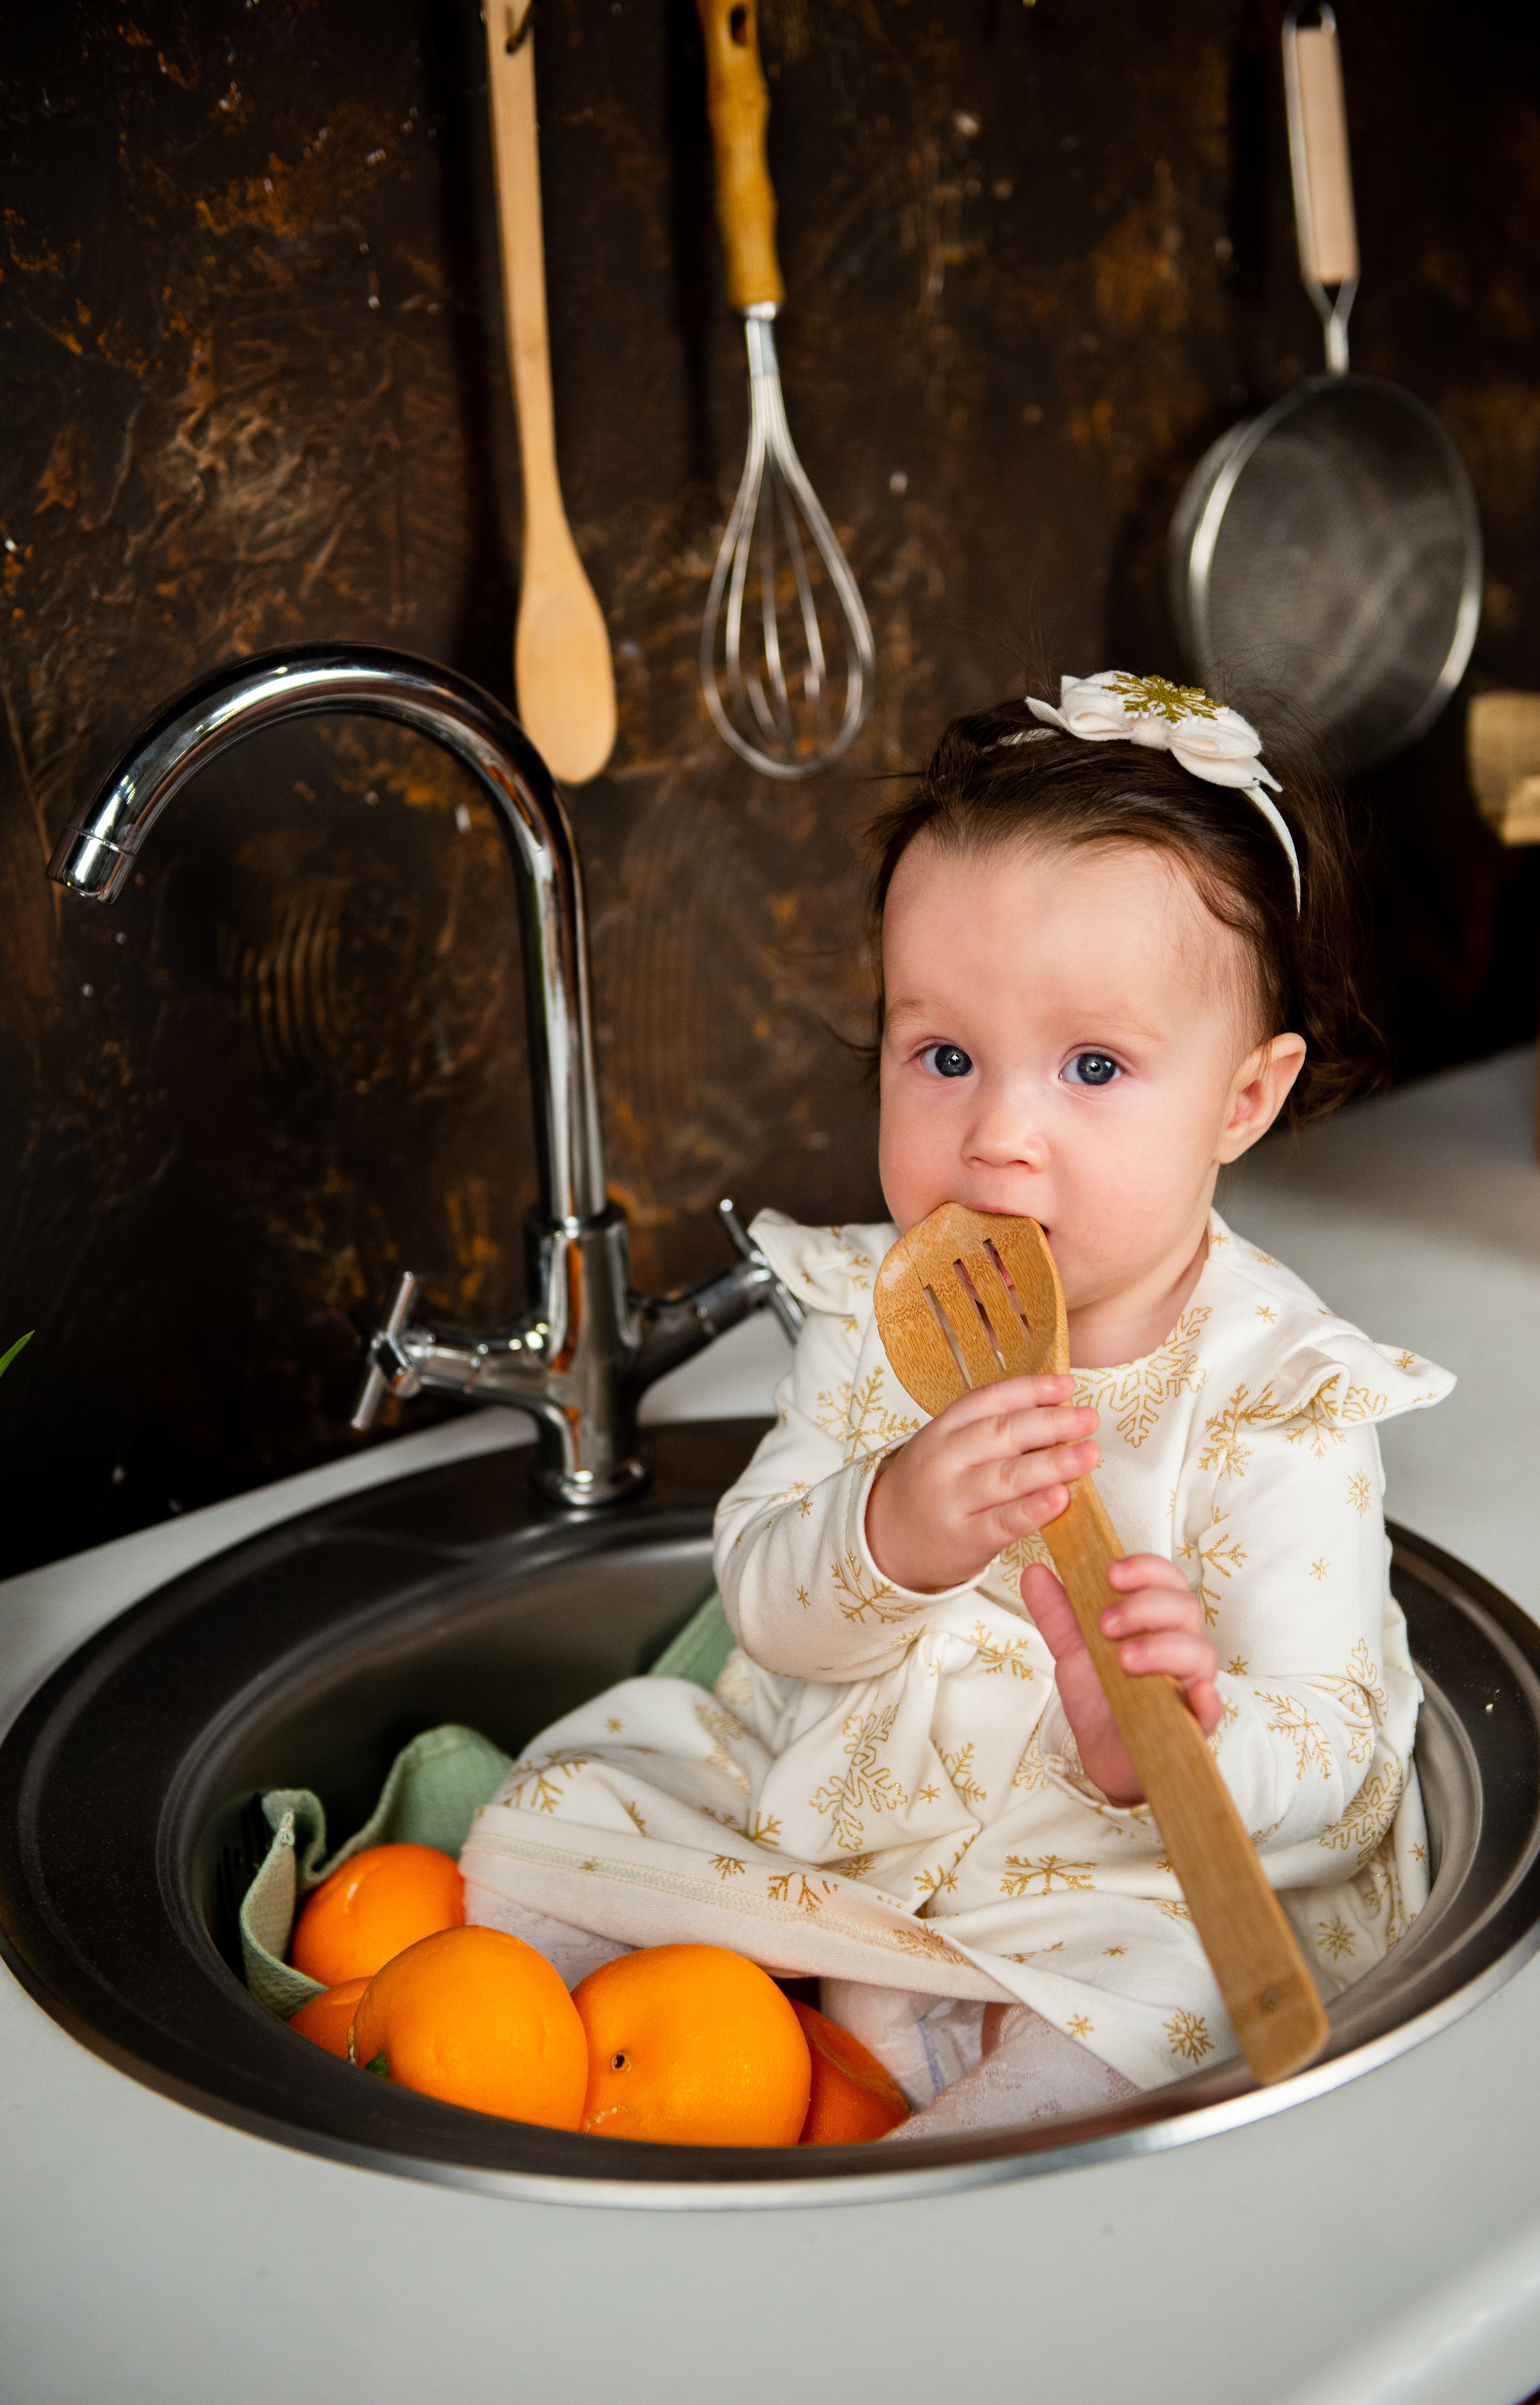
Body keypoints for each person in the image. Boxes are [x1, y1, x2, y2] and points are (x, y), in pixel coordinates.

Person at [460, 671, 1452, 2120]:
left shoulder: (1275, 1395)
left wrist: (1173, 1743)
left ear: (1241, 1099)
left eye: (1093, 1066)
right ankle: (654, 2061)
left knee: (1168, 2008)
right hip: (844, 1800)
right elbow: (765, 1605)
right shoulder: (883, 1314)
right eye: (942, 1056)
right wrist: (891, 1527)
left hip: (1106, 1876)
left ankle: (916, 2148)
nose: (997, 1137)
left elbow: (1339, 1744)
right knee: (557, 1815)